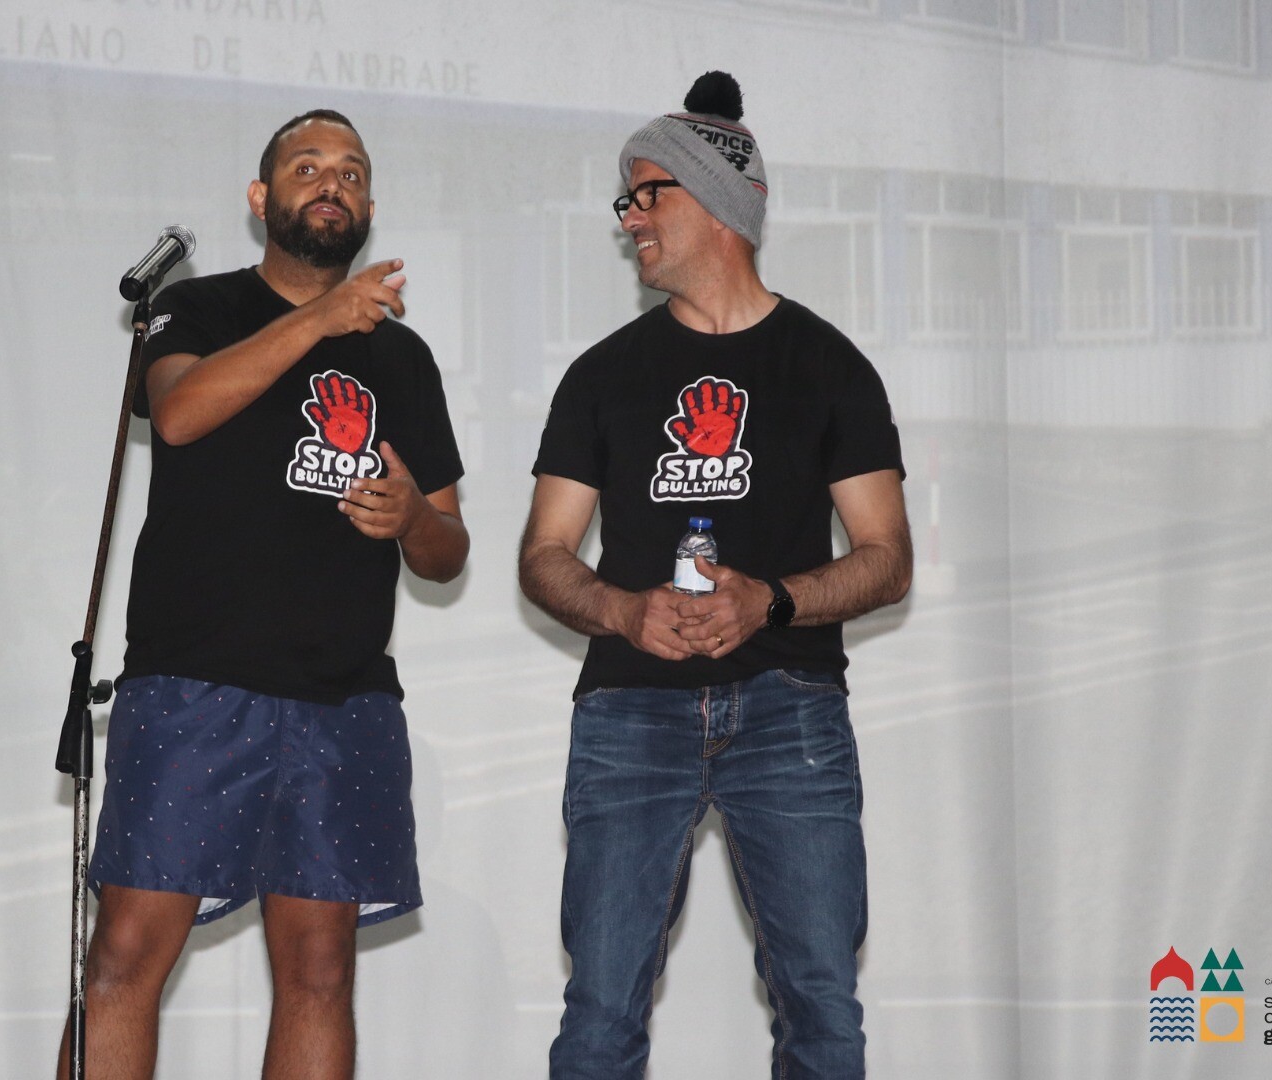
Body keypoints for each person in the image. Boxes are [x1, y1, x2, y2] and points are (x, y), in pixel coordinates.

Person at [518, 72, 912, 1080]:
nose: (628, 218)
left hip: (791, 711)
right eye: (626, 199)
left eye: (647, 193)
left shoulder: (829, 366)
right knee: (600, 1014)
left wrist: (769, 599)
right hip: (629, 711)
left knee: (823, 1009)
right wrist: (621, 609)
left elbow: (887, 557)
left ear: (719, 200)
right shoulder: (601, 375)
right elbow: (544, 554)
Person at [60, 109, 468, 1080]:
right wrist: (320, 320)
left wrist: (412, 515)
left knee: (320, 972)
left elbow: (447, 551)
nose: (332, 183)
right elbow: (178, 412)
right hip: (192, 683)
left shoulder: (402, 358)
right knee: (125, 955)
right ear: (261, 197)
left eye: (352, 173)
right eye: (307, 166)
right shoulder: (196, 307)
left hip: (345, 698)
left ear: (368, 208)